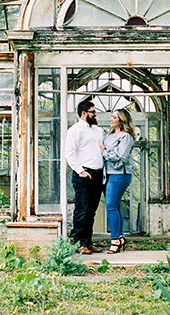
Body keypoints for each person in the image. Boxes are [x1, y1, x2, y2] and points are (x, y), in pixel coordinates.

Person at [65, 99, 104, 254]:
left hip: (97, 174)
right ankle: (79, 243)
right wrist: (80, 171)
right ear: (84, 113)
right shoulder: (75, 130)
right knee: (82, 209)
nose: (95, 114)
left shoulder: (97, 130)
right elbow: (70, 152)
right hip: (84, 174)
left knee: (92, 210)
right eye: (92, 112)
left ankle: (88, 242)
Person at [99, 108, 136, 254]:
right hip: (107, 174)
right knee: (116, 205)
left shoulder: (126, 137)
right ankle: (120, 237)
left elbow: (121, 157)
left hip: (120, 175)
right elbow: (109, 155)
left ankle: (114, 240)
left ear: (121, 120)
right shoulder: (108, 136)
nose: (111, 119)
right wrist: (107, 154)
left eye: (114, 117)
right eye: (112, 117)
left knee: (110, 206)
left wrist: (105, 153)